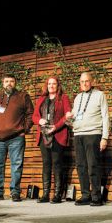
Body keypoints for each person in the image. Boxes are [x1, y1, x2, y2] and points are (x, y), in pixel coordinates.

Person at [0, 74, 34, 202]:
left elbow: (30, 114)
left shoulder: (23, 96)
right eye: (6, 81)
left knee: (16, 165)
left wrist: (24, 130)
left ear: (15, 83)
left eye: (12, 81)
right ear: (2, 83)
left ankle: (15, 192)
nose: (9, 84)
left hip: (16, 138)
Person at [66, 72, 109, 206]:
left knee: (93, 166)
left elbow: (106, 116)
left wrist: (105, 137)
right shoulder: (78, 97)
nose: (84, 84)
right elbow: (76, 116)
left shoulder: (100, 95)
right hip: (78, 135)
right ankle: (85, 194)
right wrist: (70, 118)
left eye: (87, 81)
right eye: (82, 81)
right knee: (81, 166)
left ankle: (96, 196)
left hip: (93, 134)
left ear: (92, 82)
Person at [32, 76, 71, 204]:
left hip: (57, 135)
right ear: (46, 85)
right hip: (43, 136)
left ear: (58, 85)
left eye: (54, 84)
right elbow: (34, 116)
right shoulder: (42, 99)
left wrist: (55, 127)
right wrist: (39, 120)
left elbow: (67, 115)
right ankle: (45, 194)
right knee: (46, 164)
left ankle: (57, 195)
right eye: (49, 84)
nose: (51, 86)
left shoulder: (63, 98)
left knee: (57, 165)